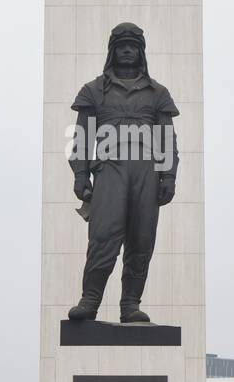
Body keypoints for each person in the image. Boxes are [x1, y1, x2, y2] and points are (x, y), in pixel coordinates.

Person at [67, 22, 179, 323]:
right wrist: (80, 175)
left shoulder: (158, 93)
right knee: (103, 238)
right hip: (110, 168)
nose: (127, 50)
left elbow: (168, 138)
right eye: (121, 45)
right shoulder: (93, 91)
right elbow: (82, 137)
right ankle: (90, 300)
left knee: (142, 240)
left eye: (133, 46)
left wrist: (168, 176)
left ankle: (130, 304)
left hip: (146, 170)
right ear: (112, 51)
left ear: (141, 52)